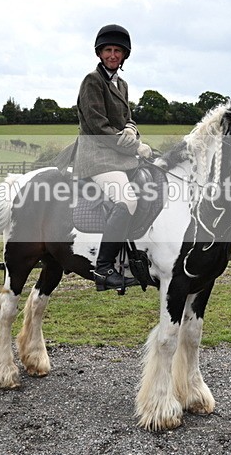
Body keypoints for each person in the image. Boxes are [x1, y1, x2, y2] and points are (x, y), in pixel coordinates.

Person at [73, 24, 151, 291]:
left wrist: (132, 129)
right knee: (127, 199)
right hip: (97, 156)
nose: (113, 55)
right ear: (100, 52)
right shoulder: (92, 81)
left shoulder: (122, 83)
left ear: (125, 54)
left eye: (118, 50)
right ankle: (104, 268)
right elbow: (98, 126)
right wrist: (134, 147)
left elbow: (127, 119)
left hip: (118, 155)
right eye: (108, 50)